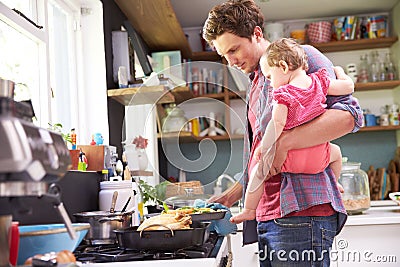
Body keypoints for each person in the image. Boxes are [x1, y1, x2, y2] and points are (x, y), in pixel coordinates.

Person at [202, 1, 363, 266]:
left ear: (256, 34)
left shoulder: (300, 57)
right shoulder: (257, 82)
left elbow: (349, 117)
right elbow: (263, 154)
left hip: (301, 213)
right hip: (272, 216)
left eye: (234, 49)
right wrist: (233, 195)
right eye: (224, 55)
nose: (230, 61)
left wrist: (286, 142)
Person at [230, 38, 353, 224]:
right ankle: (334, 182)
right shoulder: (319, 82)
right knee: (337, 153)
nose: (270, 84)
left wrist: (266, 145)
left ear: (284, 67)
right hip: (319, 157)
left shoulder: (283, 94)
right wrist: (340, 72)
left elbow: (277, 124)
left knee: (259, 171)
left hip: (291, 158)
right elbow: (348, 87)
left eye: (270, 77)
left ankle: (248, 210)